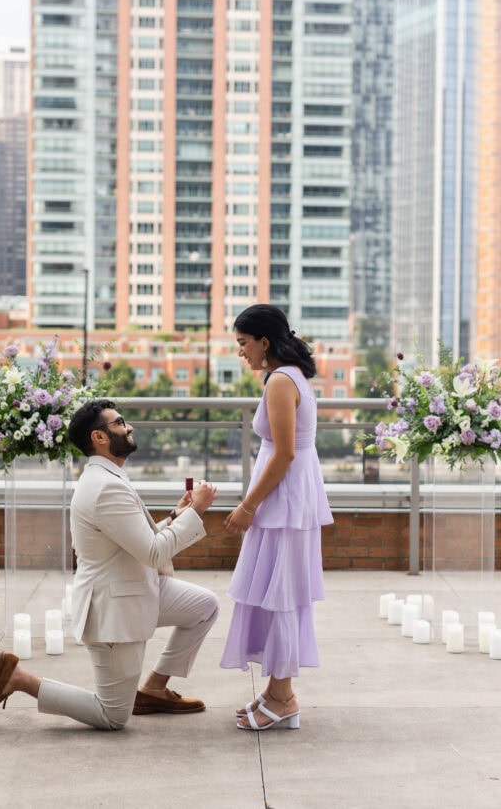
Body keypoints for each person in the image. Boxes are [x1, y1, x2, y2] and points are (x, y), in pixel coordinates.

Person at [0, 398, 219, 730]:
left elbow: (134, 542)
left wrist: (176, 517)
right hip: (114, 607)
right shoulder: (106, 487)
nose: (129, 426)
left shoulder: (106, 477)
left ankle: (153, 688)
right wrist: (197, 513)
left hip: (135, 587)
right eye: (120, 422)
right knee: (112, 716)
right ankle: (20, 679)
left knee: (205, 606)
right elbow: (152, 553)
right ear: (99, 437)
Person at [220, 304, 333, 731]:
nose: (241, 352)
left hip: (283, 503)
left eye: (243, 343)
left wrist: (248, 506)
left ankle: (283, 697)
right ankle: (274, 691)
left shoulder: (281, 382)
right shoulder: (284, 377)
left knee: (280, 595)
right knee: (274, 593)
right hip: (286, 499)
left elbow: (284, 452)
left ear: (264, 342)